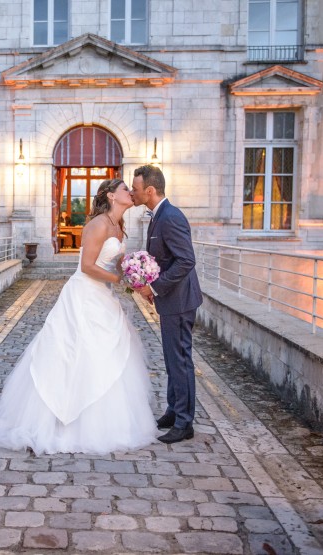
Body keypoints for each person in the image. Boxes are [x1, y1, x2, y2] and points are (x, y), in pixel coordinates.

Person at [0, 179, 158, 455]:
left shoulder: (119, 226)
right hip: (84, 294)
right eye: (125, 189)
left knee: (105, 352)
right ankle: (62, 420)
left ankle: (106, 423)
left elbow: (116, 263)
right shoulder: (97, 224)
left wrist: (136, 274)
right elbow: (87, 267)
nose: (130, 193)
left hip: (103, 295)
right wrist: (122, 281)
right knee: (74, 351)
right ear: (112, 196)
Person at [129, 165, 203, 444]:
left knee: (180, 360)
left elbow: (186, 260)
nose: (133, 193)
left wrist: (155, 287)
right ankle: (174, 411)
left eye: (135, 189)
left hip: (180, 301)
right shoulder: (157, 216)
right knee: (172, 359)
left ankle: (185, 423)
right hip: (171, 300)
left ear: (149, 190)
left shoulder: (171, 217)